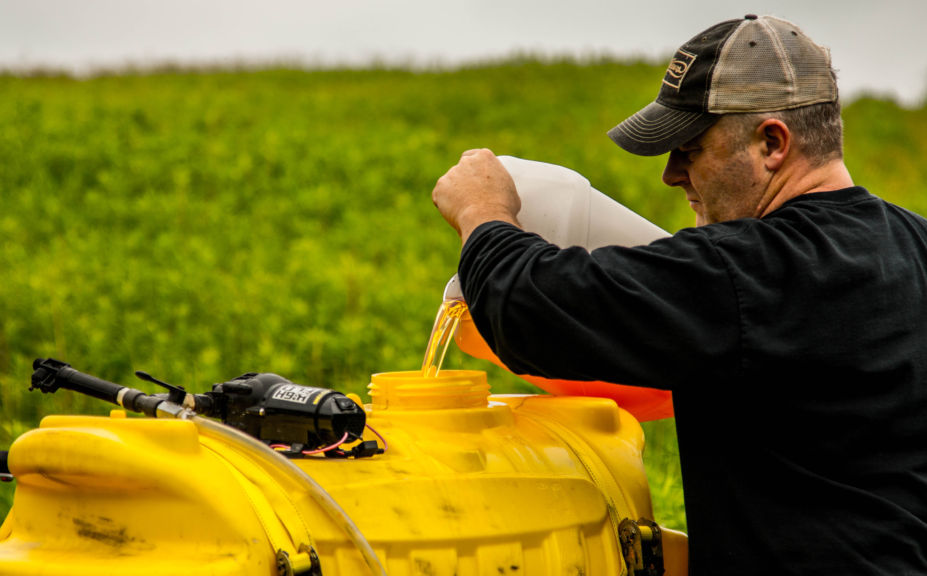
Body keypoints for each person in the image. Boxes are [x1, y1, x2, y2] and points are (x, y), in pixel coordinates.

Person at [432, 14, 927, 576]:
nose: (671, 174)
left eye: (688, 149)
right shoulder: (915, 244)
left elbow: (531, 306)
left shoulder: (750, 271)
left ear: (772, 142)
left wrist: (483, 212)